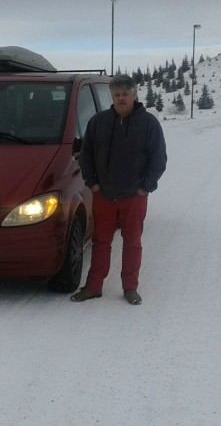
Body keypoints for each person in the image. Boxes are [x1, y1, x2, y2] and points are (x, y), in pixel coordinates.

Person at [71, 74, 167, 305]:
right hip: (103, 194)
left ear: (134, 95)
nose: (121, 98)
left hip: (134, 196)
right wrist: (92, 183)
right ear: (111, 96)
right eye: (116, 95)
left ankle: (130, 287)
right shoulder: (98, 122)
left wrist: (145, 188)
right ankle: (94, 286)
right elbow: (87, 156)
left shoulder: (149, 124)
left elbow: (159, 159)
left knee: (132, 243)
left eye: (125, 94)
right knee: (101, 242)